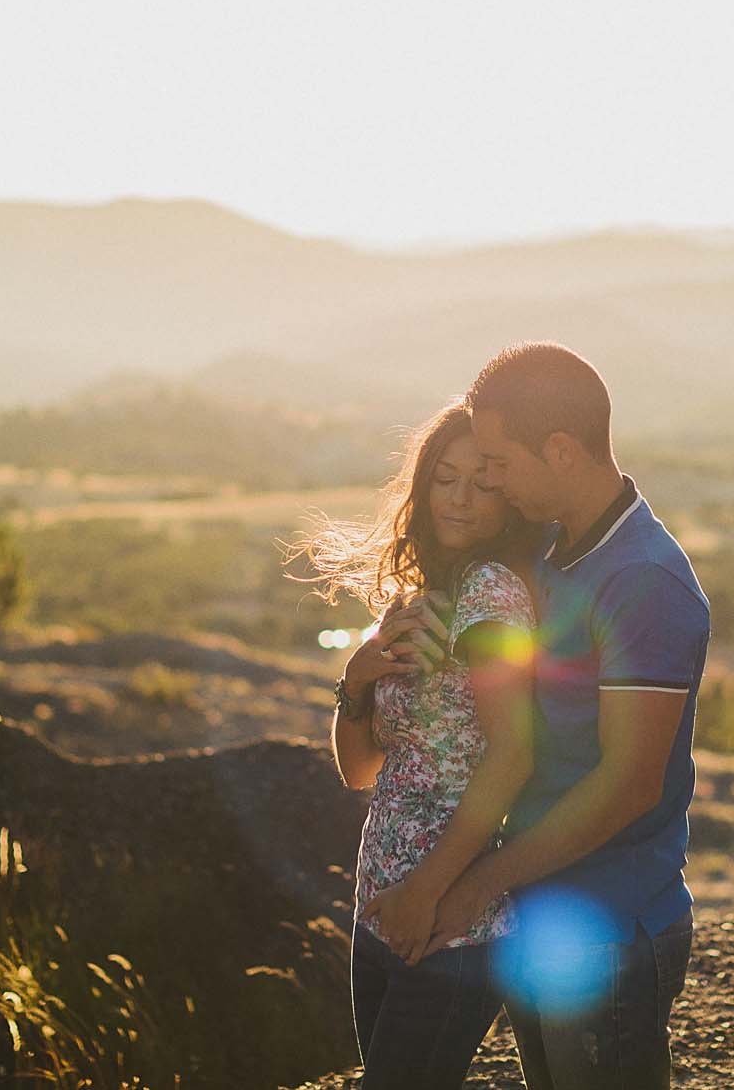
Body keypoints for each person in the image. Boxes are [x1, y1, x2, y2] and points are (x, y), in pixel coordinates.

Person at [418, 342, 710, 1090]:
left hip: (612, 926)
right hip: (543, 914)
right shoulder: (548, 544)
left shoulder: (643, 580)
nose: (488, 479)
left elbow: (629, 784)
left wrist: (481, 880)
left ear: (560, 450)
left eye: (498, 461)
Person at [289, 403, 543, 1090]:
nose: (459, 498)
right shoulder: (412, 598)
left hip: (448, 923)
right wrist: (356, 678)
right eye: (444, 477)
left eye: (481, 483)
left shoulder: (491, 596)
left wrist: (426, 895)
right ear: (421, 486)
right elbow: (359, 768)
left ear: (506, 500)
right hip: (382, 907)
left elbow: (513, 753)